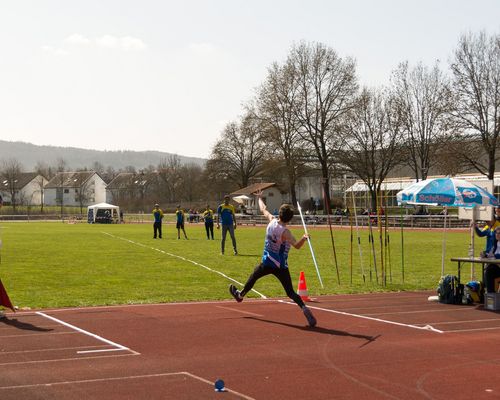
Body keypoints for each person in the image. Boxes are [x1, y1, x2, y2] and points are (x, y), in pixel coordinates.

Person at [229, 192, 317, 327]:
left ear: (280, 214)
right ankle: (304, 309)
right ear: (290, 218)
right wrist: (304, 238)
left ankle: (240, 295)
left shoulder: (272, 221)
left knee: (254, 276)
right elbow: (297, 246)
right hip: (281, 266)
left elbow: (263, 209)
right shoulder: (286, 233)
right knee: (290, 292)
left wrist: (259, 198)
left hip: (268, 262)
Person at [483, 226, 500, 293]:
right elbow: (490, 253)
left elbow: (495, 255)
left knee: (489, 270)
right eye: (496, 233)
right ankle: (490, 293)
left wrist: (495, 256)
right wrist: (485, 254)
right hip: (495, 267)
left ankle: (490, 294)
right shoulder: (495, 244)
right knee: (488, 270)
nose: (497, 235)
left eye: (499, 233)